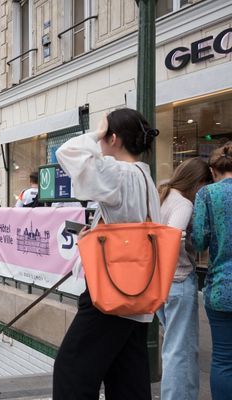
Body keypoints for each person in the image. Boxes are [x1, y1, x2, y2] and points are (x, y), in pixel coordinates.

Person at [53, 108, 160, 400]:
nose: (99, 144)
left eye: (104, 136)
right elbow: (127, 226)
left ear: (113, 138)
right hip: (138, 292)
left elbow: (67, 152)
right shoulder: (144, 177)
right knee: (128, 378)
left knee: (70, 371)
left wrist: (97, 131)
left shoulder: (119, 173)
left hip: (112, 290)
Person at [156, 157, 210, 400]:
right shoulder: (183, 204)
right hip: (178, 281)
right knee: (182, 352)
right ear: (197, 182)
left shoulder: (162, 194)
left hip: (159, 283)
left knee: (172, 349)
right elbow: (172, 236)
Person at [192, 142, 232, 400]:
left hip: (221, 288)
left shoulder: (207, 195)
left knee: (223, 359)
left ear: (213, 170)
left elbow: (199, 240)